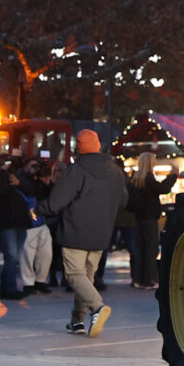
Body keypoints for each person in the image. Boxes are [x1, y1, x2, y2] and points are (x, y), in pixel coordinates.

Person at [37, 129, 127, 336]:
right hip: (101, 232)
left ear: (79, 147)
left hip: (75, 230)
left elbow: (57, 201)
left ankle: (97, 307)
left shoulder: (75, 170)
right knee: (86, 277)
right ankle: (77, 321)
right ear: (98, 145)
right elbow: (124, 200)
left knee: (74, 274)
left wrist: (38, 210)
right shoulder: (115, 170)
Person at [126, 152, 178, 289]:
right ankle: (149, 279)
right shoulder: (149, 178)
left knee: (140, 248)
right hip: (150, 217)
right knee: (151, 248)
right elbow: (163, 189)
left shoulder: (135, 178)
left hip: (138, 217)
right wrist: (172, 176)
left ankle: (137, 279)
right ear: (150, 163)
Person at [0, 153, 28, 300]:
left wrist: (19, 183)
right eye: (5, 163)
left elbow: (31, 190)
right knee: (11, 256)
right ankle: (10, 289)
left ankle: (4, 289)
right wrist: (3, 173)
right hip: (6, 224)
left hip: (20, 223)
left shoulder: (17, 179)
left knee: (14, 258)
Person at [17, 158, 53, 297]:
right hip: (28, 224)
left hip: (41, 222)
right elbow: (29, 189)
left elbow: (48, 195)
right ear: (25, 166)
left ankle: (40, 281)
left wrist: (46, 183)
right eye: (33, 166)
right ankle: (28, 283)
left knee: (46, 254)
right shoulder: (20, 179)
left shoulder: (39, 183)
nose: (35, 169)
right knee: (27, 254)